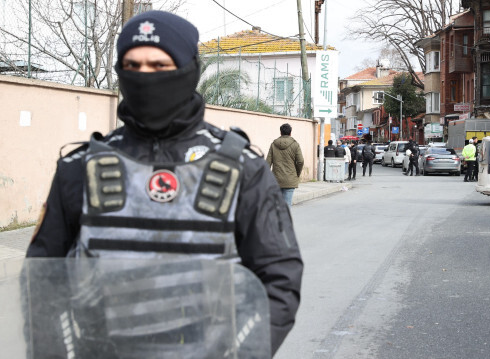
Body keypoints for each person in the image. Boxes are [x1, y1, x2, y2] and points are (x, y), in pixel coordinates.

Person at [25, 10, 302, 357]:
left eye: (159, 66)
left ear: (189, 71)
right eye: (133, 65)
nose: (144, 77)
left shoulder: (243, 169)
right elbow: (43, 283)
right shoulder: (78, 169)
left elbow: (279, 278)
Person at [267, 123, 305, 206]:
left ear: (280, 132)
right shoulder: (295, 144)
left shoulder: (273, 144)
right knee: (287, 206)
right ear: (290, 133)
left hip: (276, 179)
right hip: (290, 179)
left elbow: (268, 163)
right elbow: (300, 161)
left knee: (277, 206)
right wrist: (296, 173)